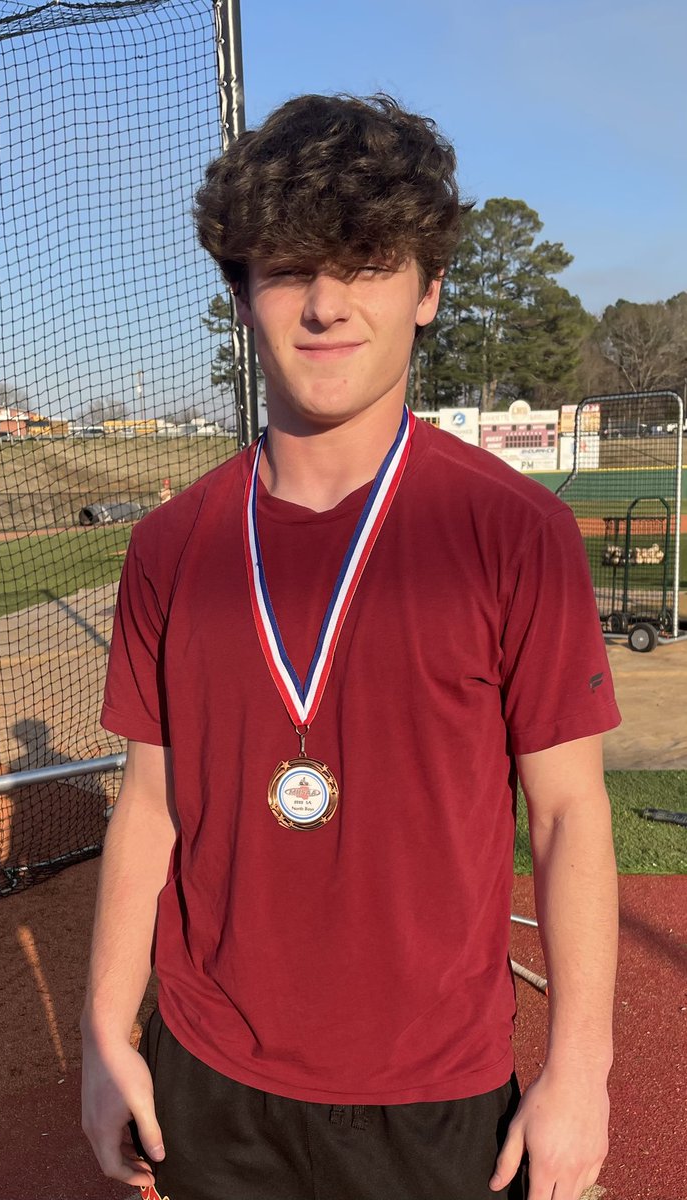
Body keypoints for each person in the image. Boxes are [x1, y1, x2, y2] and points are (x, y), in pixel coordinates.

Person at [81, 94, 620, 1200]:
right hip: (210, 1078)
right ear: (241, 295)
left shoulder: (516, 532)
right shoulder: (171, 545)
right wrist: (100, 1034)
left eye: (367, 263)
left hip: (432, 1097)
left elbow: (567, 813)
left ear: (426, 291)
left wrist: (581, 1073)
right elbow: (149, 805)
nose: (325, 304)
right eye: (286, 268)